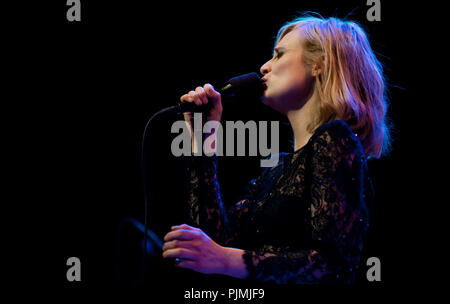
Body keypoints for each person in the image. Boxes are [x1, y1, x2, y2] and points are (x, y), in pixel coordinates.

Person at [161, 14, 391, 284]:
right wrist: (203, 137)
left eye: (279, 55)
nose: (264, 67)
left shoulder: (335, 139)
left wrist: (226, 259)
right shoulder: (276, 167)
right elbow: (214, 241)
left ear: (320, 64)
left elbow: (332, 264)